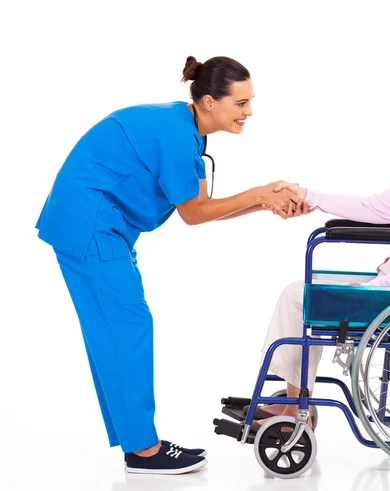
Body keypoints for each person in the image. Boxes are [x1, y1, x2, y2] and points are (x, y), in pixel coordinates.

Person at [35, 55, 307, 475]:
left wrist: (263, 202)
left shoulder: (188, 131)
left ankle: (137, 444)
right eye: (241, 103)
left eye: (251, 101)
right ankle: (144, 451)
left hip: (99, 226)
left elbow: (200, 208)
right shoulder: (175, 135)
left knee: (116, 330)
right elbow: (195, 213)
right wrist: (258, 193)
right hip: (90, 225)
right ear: (210, 101)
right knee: (126, 328)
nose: (249, 111)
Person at [253, 97, 390, 430]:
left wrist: (370, 290)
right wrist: (310, 195)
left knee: (299, 299)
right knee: (298, 293)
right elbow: (371, 207)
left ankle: (296, 406)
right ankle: (296, 399)